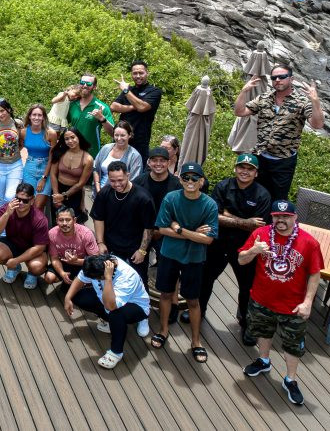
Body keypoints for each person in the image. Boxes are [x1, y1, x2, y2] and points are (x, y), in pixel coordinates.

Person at [239, 199, 323, 406]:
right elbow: (241, 259)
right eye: (277, 216)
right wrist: (254, 251)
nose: (281, 220)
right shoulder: (261, 235)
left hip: (292, 306)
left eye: (286, 216)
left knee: (293, 345)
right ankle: (264, 361)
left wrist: (308, 302)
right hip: (261, 299)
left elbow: (314, 274)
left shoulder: (309, 243)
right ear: (272, 218)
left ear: (295, 217)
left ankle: (290, 379)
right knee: (262, 332)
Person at [194, 153, 271, 344]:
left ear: (256, 173)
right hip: (218, 243)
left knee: (247, 287)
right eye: (241, 167)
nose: (245, 171)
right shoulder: (223, 186)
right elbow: (213, 217)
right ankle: (199, 311)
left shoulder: (262, 195)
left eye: (250, 169)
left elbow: (259, 226)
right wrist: (244, 221)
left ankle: (245, 321)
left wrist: (228, 216)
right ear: (235, 168)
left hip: (245, 248)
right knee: (205, 279)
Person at [152, 162, 219, 363]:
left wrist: (179, 229)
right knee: (165, 294)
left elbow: (208, 239)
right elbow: (161, 229)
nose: (190, 182)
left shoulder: (210, 205)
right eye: (186, 178)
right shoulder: (171, 198)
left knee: (193, 301)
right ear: (180, 180)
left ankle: (196, 342)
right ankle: (163, 331)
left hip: (194, 258)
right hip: (169, 254)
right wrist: (192, 233)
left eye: (194, 178)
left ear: (202, 181)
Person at [234, 63, 325, 201]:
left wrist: (315, 101)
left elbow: (317, 124)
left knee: (278, 199)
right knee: (254, 196)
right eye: (274, 77)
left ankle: (272, 222)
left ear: (291, 79)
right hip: (261, 156)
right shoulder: (264, 98)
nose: (277, 80)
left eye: (282, 77)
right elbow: (240, 112)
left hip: (283, 162)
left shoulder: (301, 102)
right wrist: (244, 91)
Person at [63, 254, 151, 370]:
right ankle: (113, 324)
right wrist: (67, 298)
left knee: (116, 314)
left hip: (136, 305)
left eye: (95, 279)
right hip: (107, 299)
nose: (91, 280)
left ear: (102, 275)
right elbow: (80, 278)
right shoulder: (101, 262)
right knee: (78, 297)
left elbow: (111, 306)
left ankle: (116, 352)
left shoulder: (127, 277)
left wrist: (108, 279)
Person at [91, 161, 157, 283]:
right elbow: (98, 218)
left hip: (134, 247)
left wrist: (142, 251)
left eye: (120, 180)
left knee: (139, 281)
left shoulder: (143, 197)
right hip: (111, 245)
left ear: (128, 175)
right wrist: (100, 242)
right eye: (112, 181)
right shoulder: (105, 193)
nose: (117, 184)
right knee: (111, 279)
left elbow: (149, 227)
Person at [0, 183, 49, 288]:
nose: (20, 203)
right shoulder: (6, 208)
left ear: (32, 201)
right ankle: (14, 268)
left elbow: (39, 248)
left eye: (25, 200)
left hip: (32, 248)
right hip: (12, 243)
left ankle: (32, 273)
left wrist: (16, 260)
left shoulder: (40, 219)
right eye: (17, 199)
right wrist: (7, 214)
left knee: (37, 267)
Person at [109, 60, 162, 161]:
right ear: (131, 74)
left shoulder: (154, 91)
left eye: (141, 73)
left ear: (147, 73)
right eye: (135, 73)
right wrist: (133, 107)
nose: (138, 76)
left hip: (140, 141)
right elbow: (113, 106)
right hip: (121, 138)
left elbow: (142, 107)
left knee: (137, 173)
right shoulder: (130, 90)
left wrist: (125, 91)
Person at [44, 206, 99, 285]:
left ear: (74, 220)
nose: (64, 223)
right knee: (49, 277)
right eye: (61, 220)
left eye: (68, 220)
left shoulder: (86, 234)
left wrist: (77, 261)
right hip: (64, 262)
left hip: (84, 263)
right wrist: (62, 273)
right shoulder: (52, 233)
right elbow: (54, 258)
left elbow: (96, 259)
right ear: (56, 221)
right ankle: (68, 279)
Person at [62, 74, 114, 157]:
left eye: (89, 84)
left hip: (91, 155)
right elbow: (61, 124)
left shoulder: (102, 107)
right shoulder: (71, 104)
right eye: (82, 83)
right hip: (72, 152)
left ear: (94, 87)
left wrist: (102, 118)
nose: (85, 85)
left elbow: (113, 133)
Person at [49, 127, 94, 221]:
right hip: (57, 189)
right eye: (66, 139)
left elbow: (81, 183)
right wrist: (56, 195)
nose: (70, 141)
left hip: (74, 193)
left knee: (72, 223)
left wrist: (64, 196)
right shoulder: (59, 152)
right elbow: (53, 174)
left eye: (72, 137)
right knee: (57, 220)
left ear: (78, 137)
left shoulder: (88, 159)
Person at [21, 105, 56, 213]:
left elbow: (52, 157)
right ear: (30, 116)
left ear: (44, 117)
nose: (36, 117)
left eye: (39, 115)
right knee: (28, 202)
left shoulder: (51, 133)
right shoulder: (23, 132)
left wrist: (44, 178)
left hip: (45, 168)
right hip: (29, 167)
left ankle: (39, 228)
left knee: (38, 205)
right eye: (34, 115)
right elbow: (17, 148)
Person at [92, 120, 143, 193]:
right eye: (116, 135)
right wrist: (98, 188)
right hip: (99, 192)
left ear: (130, 135)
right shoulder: (106, 148)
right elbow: (96, 168)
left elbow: (134, 180)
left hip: (120, 196)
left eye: (122, 135)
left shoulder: (134, 156)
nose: (119, 138)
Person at [0, 99, 24, 205]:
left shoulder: (18, 124)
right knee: (0, 199)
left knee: (9, 197)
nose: (0, 114)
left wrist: (13, 152)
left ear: (8, 109)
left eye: (2, 111)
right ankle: (0, 221)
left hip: (15, 165)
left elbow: (22, 142)